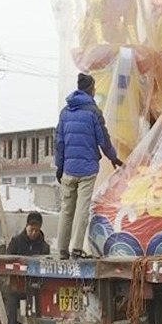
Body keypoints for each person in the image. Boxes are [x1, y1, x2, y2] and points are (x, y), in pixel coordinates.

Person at [55, 73, 123, 260]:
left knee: (67, 209)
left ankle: (62, 249)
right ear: (90, 89)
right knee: (82, 209)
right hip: (87, 170)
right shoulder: (94, 112)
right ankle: (76, 248)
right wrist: (114, 157)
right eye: (93, 88)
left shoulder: (65, 112)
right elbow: (104, 139)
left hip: (68, 169)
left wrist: (59, 166)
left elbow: (59, 142)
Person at [3, 211, 50, 324]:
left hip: (34, 291)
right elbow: (7, 262)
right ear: (27, 226)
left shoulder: (44, 246)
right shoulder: (16, 242)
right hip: (16, 290)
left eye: (37, 230)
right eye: (31, 229)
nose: (34, 233)